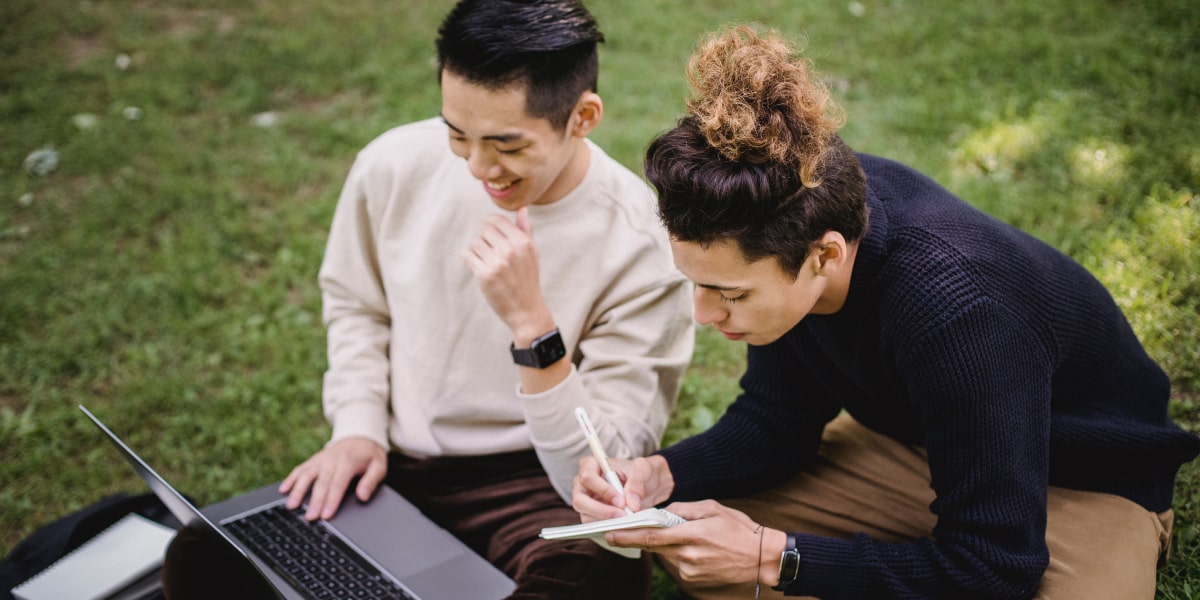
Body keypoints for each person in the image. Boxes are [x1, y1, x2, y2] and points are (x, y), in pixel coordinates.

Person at [571, 25, 1200, 600]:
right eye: (698, 285)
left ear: (825, 255)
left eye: (730, 294)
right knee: (690, 537)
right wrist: (659, 476)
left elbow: (997, 564)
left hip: (1082, 481)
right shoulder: (791, 210)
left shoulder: (959, 310)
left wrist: (775, 558)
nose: (705, 313)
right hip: (908, 442)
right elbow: (778, 418)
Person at [278, 1, 695, 597]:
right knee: (205, 553)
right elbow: (356, 304)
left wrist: (533, 327)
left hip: (532, 481)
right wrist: (357, 428)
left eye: (506, 144)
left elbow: (610, 465)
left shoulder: (641, 245)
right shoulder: (391, 166)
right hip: (397, 460)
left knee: (596, 574)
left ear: (583, 117)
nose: (478, 167)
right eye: (457, 134)